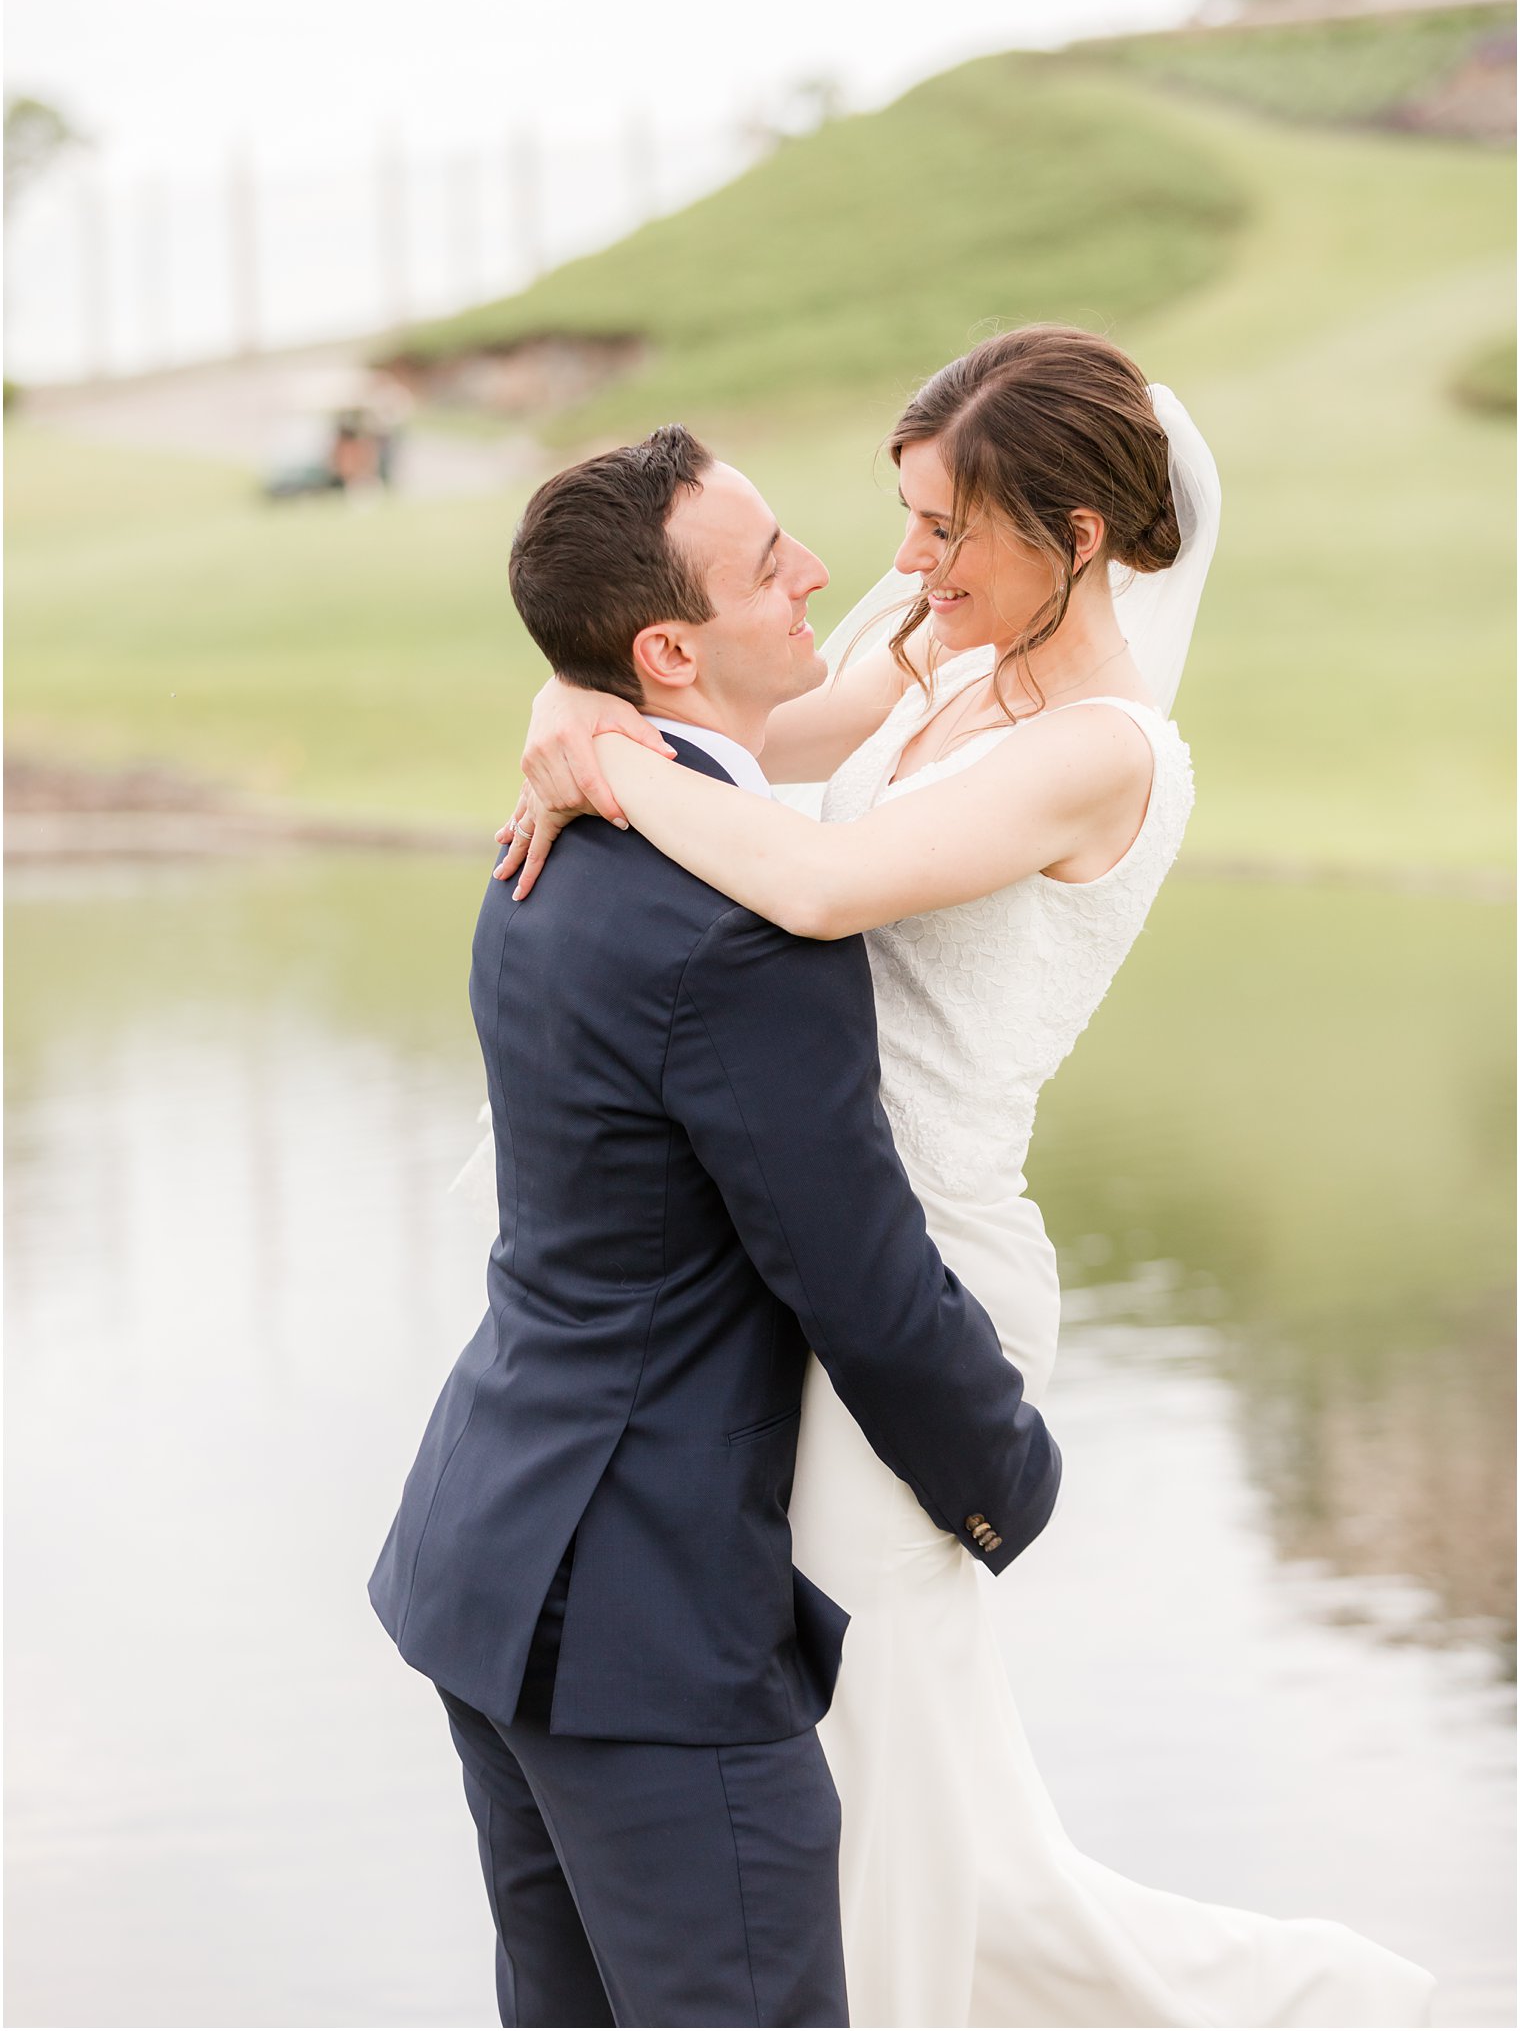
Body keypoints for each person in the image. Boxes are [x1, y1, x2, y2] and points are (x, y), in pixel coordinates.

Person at [500, 324, 1437, 2028]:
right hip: (825, 1251)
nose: (905, 563)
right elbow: (722, 724)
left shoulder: (1107, 751)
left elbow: (823, 879)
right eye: (908, 516)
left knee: (889, 1781)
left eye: (947, 528)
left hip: (926, 1278)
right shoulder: (937, 653)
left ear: (1078, 534)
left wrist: (608, 760)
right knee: (914, 1789)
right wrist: (579, 712)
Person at [368, 422, 1063, 2030]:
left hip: (492, 1566)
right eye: (770, 563)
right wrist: (1002, 1479)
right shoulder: (741, 924)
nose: (813, 568)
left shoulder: (548, 843)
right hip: (644, 1630)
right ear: (671, 650)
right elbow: (857, 1272)